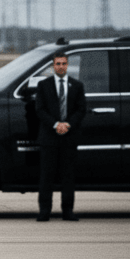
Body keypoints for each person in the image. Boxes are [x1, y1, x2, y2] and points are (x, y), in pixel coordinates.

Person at [34, 50, 86, 222]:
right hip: (49, 137)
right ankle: (44, 211)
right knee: (46, 176)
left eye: (64, 63)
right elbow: (39, 110)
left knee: (68, 177)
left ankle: (68, 211)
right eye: (58, 64)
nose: (61, 66)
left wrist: (68, 124)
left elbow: (81, 110)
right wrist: (56, 124)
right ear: (53, 66)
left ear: (67, 65)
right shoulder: (44, 85)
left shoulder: (77, 86)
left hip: (70, 137)